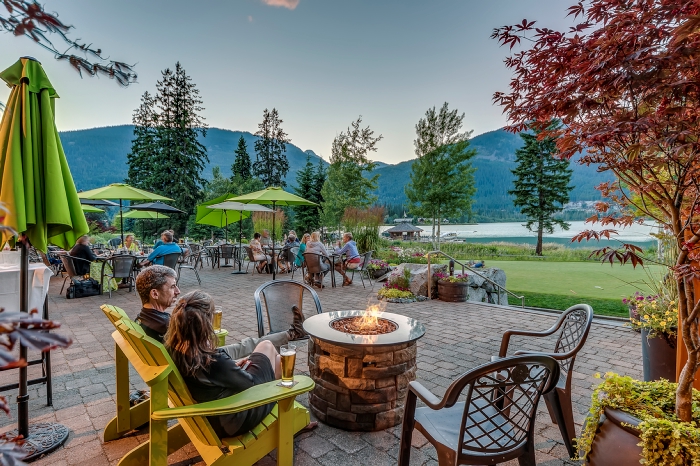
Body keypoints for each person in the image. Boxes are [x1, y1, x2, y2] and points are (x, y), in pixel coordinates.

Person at [164, 290, 282, 438]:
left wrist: (232, 369)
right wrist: (232, 369)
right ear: (206, 321)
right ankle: (285, 413)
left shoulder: (172, 349)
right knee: (268, 347)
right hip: (232, 420)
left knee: (270, 356)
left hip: (211, 414)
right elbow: (251, 386)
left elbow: (211, 378)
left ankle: (283, 409)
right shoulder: (211, 359)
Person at [134, 265, 306, 353]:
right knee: (250, 347)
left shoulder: (142, 320)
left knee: (248, 344)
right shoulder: (170, 326)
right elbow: (207, 352)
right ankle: (292, 334)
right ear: (154, 294)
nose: (178, 291)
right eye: (172, 287)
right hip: (206, 367)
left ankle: (291, 333)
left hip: (198, 363)